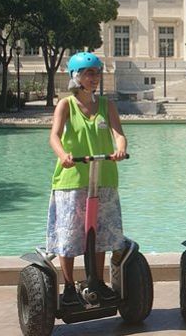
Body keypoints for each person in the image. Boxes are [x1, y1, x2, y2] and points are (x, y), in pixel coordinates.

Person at [47, 52, 128, 305]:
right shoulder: (66, 105)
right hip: (72, 180)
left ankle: (96, 281)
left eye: (97, 73)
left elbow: (119, 134)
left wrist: (120, 148)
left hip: (103, 177)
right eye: (89, 73)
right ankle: (70, 286)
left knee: (100, 234)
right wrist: (63, 155)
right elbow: (55, 136)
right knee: (70, 236)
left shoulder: (107, 105)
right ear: (76, 76)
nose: (94, 78)